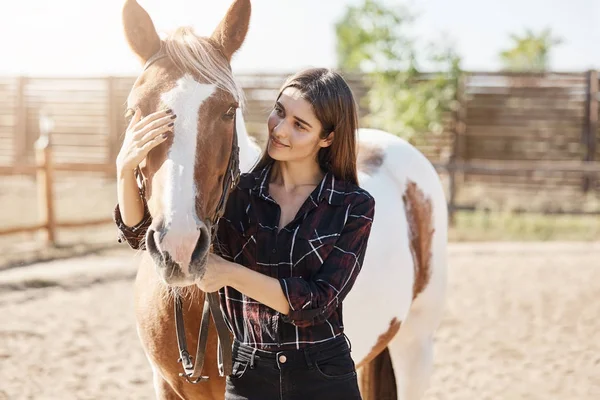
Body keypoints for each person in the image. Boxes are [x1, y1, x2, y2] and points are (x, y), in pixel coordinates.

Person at [114, 68, 375, 400]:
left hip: (323, 375)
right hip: (248, 375)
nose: (279, 129)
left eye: (300, 125)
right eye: (279, 111)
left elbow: (316, 303)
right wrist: (124, 170)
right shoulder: (239, 195)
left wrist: (229, 273)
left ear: (327, 138)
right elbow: (140, 235)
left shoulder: (352, 205)